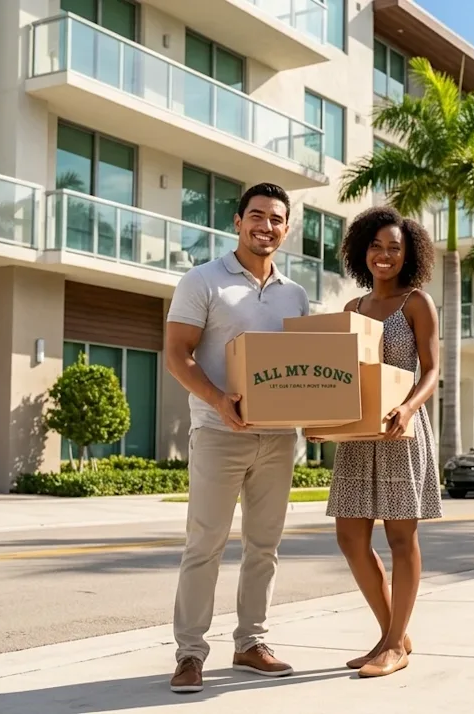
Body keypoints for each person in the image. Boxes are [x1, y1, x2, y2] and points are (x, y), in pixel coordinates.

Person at [163, 182, 310, 693]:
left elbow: (304, 369)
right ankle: (189, 653)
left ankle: (251, 642)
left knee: (264, 546)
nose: (265, 226)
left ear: (286, 229)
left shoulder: (295, 295)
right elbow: (177, 354)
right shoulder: (202, 280)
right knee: (204, 544)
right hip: (217, 433)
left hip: (278, 438)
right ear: (238, 221)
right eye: (256, 215)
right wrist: (220, 402)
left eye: (275, 218)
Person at [318, 205, 442, 678]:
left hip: (400, 430)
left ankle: (392, 646)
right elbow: (340, 377)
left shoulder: (417, 302)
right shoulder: (352, 309)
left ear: (408, 255)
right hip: (357, 435)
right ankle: (394, 633)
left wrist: (407, 408)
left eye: (394, 247)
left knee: (399, 535)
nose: (384, 255)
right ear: (361, 250)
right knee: (350, 537)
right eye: (376, 246)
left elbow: (430, 370)